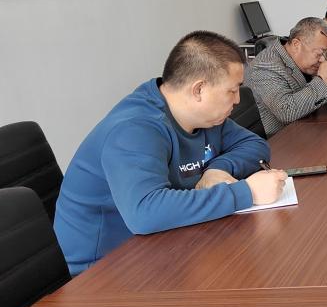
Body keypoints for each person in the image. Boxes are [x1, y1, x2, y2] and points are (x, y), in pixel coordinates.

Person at [54, 31, 287, 275]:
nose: (238, 100)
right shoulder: (135, 129)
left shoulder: (204, 117)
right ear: (199, 90)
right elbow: (145, 213)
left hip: (163, 243)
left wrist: (218, 169)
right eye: (232, 90)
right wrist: (247, 193)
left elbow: (254, 145)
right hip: (101, 271)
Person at [245, 17, 327, 137]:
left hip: (306, 128)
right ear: (296, 44)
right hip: (282, 141)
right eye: (319, 53)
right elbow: (287, 112)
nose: (323, 60)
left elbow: (322, 80)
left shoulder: (301, 57)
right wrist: (322, 81)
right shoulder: (265, 67)